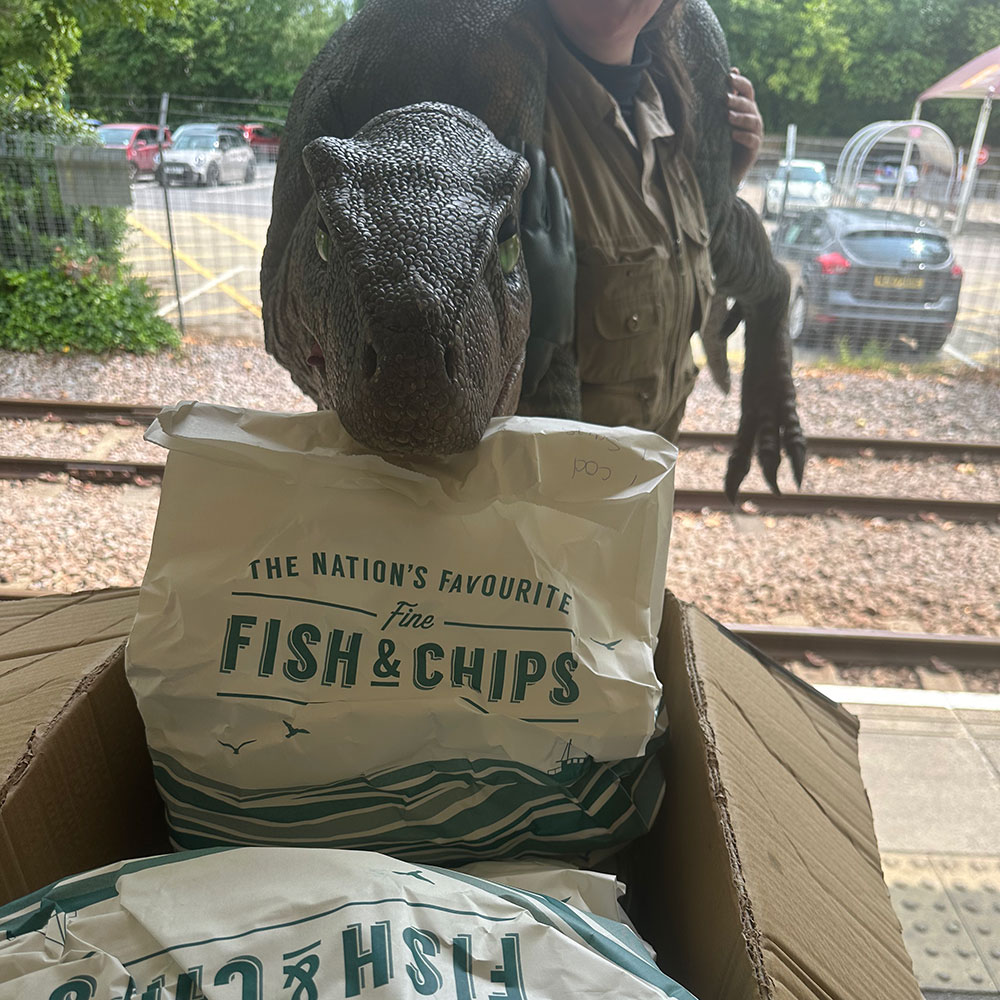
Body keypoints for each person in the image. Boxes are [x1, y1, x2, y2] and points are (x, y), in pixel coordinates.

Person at [523, 0, 764, 440]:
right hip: (548, 483)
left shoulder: (671, 116)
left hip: (647, 477)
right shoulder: (503, 115)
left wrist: (724, 179)